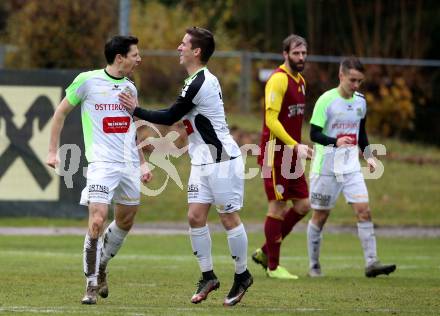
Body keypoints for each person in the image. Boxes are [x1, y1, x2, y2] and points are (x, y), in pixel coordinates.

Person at [119, 27, 253, 306]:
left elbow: (169, 116)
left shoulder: (200, 82)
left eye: (183, 44)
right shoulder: (194, 80)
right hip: (202, 159)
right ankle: (208, 276)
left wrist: (135, 110)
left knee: (228, 218)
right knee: (194, 216)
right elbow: (180, 119)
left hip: (221, 159)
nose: (179, 48)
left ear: (197, 51)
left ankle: (242, 276)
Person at [46, 35, 152, 304]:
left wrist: (142, 163)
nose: (139, 59)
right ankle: (91, 285)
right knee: (97, 220)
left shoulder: (130, 89)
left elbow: (134, 126)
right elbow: (60, 113)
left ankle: (101, 264)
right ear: (120, 58)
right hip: (101, 165)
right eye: (135, 55)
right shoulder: (87, 81)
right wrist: (51, 150)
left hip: (128, 165)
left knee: (126, 220)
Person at [307, 56, 396, 278]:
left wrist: (370, 156)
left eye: (359, 81)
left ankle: (371, 262)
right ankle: (314, 265)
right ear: (341, 76)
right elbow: (314, 134)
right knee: (320, 216)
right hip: (325, 167)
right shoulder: (326, 100)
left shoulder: (360, 102)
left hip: (351, 167)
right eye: (352, 80)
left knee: (364, 211)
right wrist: (335, 141)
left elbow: (361, 133)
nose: (356, 85)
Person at [252, 34, 313, 280]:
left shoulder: (301, 81)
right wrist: (294, 145)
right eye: (296, 53)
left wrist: (299, 146)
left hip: (291, 153)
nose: (301, 58)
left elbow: (293, 120)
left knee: (303, 205)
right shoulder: (278, 80)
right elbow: (271, 120)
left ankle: (266, 251)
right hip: (274, 153)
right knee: (277, 206)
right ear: (285, 54)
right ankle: (273, 267)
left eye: (304, 53)